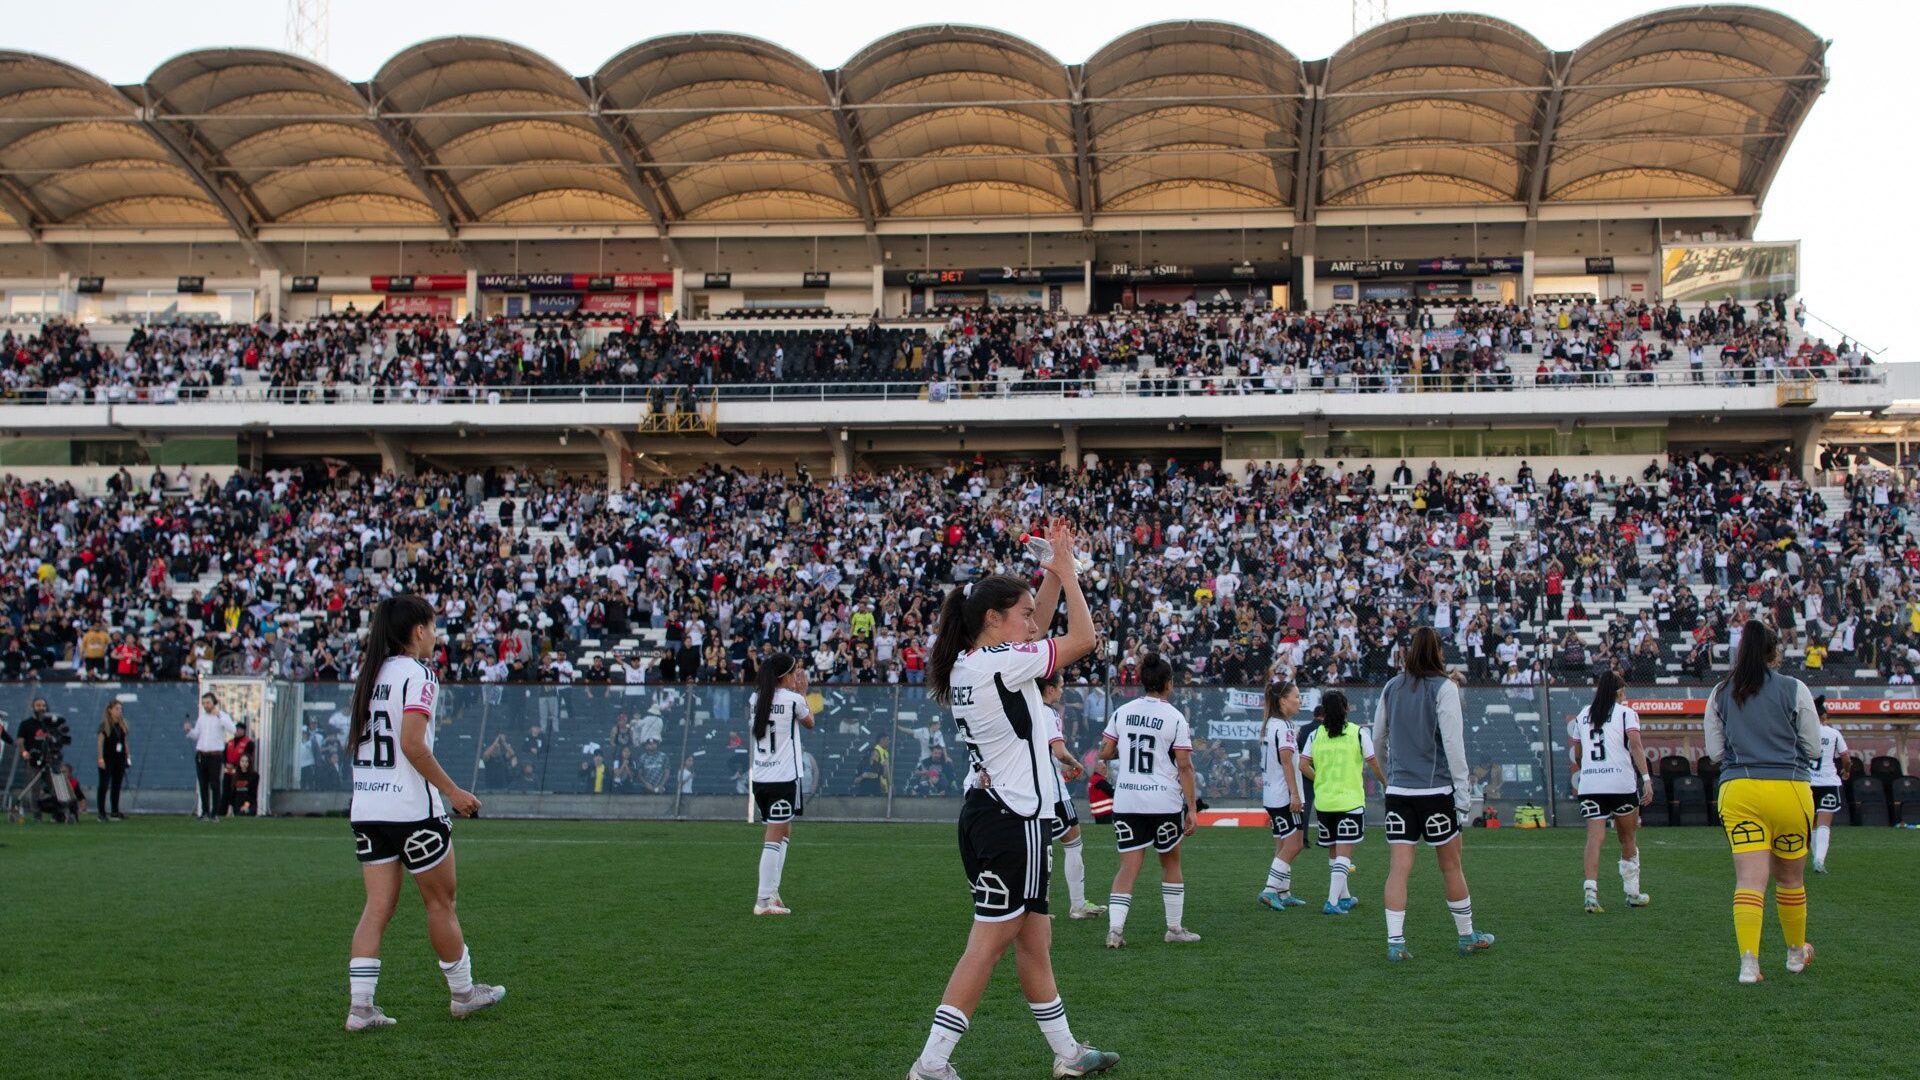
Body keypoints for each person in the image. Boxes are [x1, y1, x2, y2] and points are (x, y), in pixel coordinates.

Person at [907, 520, 1117, 1080]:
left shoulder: (969, 663)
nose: (1031, 621)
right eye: (1021, 613)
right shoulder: (1003, 663)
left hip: (991, 813)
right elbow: (1081, 640)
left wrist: (1051, 570)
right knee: (989, 944)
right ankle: (931, 1064)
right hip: (1014, 819)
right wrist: (1068, 575)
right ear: (992, 620)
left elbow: (1039, 630)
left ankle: (1069, 1054)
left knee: (1035, 942)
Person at [343, 593, 504, 1032]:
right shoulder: (419, 676)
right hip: (412, 809)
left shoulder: (368, 676)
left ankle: (360, 1008)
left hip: (368, 807)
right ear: (418, 631)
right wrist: (453, 791)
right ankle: (464, 993)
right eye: (432, 627)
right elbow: (412, 745)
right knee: (440, 902)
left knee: (376, 907)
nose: (435, 635)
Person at [1705, 619, 1820, 984]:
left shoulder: (1720, 691)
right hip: (1789, 790)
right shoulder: (1794, 688)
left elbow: (1714, 753)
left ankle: (1749, 964)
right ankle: (1794, 954)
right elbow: (1814, 747)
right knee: (1790, 880)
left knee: (1750, 882)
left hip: (1739, 791)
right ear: (1775, 653)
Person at [1375, 627, 1495, 960]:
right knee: (1451, 866)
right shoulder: (1445, 688)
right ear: (1438, 652)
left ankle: (1396, 943)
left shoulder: (1390, 688)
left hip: (1399, 792)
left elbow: (1378, 740)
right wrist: (1463, 794)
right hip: (1435, 791)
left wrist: (1389, 778)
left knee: (1399, 868)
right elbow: (1454, 745)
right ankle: (1467, 936)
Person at [1099, 652, 1198, 947]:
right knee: (1170, 863)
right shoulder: (1175, 717)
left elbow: (1105, 751)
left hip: (1127, 800)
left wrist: (1124, 751)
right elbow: (1184, 766)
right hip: (1163, 802)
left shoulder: (1123, 711)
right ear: (1168, 684)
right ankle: (1174, 929)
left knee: (1128, 867)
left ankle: (1115, 931)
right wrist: (1192, 808)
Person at [1566, 671, 1653, 913]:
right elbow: (1635, 745)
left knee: (1594, 838)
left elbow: (1579, 755)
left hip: (1591, 785)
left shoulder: (1584, 714)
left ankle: (1591, 895)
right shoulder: (1627, 714)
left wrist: (1590, 774)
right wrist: (1646, 779)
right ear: (1618, 692)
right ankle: (1632, 892)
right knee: (1627, 837)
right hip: (1621, 785)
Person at [1300, 690, 1382, 917]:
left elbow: (1303, 765)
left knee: (1335, 851)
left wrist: (1321, 779)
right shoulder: (1357, 732)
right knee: (1345, 853)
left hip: (1325, 802)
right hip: (1350, 802)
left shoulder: (1316, 735)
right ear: (1346, 708)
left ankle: (1344, 897)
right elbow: (1374, 763)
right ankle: (1331, 901)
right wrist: (1386, 783)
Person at [749, 651, 813, 916]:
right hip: (783, 778)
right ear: (785, 676)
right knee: (775, 836)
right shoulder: (793, 699)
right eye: (794, 671)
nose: (797, 675)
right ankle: (763, 900)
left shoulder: (756, 697)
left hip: (762, 777)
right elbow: (810, 722)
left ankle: (773, 892)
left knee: (784, 831)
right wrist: (803, 691)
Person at [1036, 674, 1103, 921]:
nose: (1063, 691)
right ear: (1050, 689)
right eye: (1061, 687)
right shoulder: (1049, 713)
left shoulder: (1027, 709)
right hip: (1052, 792)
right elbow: (1059, 750)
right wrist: (1075, 764)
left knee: (1039, 846)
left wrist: (1060, 764)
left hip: (1029, 788)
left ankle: (1038, 907)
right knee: (1071, 841)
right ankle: (1074, 905)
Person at [1256, 679, 1308, 910]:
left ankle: (1283, 892)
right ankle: (1269, 890)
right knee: (1295, 844)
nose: (1299, 700)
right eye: (1296, 696)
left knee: (1282, 844)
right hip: (1284, 796)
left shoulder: (1270, 725)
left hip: (1271, 794)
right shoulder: (1285, 727)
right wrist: (1295, 795)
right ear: (1283, 700)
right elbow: (1286, 762)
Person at [1808, 695, 1849, 874]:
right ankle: (1819, 859)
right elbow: (1846, 757)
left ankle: (1814, 857)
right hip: (1827, 782)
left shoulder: (1802, 732)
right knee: (1825, 822)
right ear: (1824, 716)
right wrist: (1846, 770)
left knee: (1812, 823)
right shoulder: (1833, 734)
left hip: (1806, 783)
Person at [184, 693, 234, 821]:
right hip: (202, 754)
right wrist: (189, 731)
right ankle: (205, 811)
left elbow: (232, 729)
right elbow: (197, 735)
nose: (206, 706)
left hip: (215, 755)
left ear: (214, 703)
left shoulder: (222, 716)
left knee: (215, 784)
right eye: (204, 703)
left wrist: (219, 715)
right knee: (202, 784)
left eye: (208, 703)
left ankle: (214, 812)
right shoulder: (202, 718)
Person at [95, 701, 131, 821]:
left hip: (119, 757)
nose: (119, 711)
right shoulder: (104, 725)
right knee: (104, 785)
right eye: (116, 708)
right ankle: (101, 812)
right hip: (107, 757)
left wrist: (127, 755)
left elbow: (125, 741)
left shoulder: (122, 724)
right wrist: (100, 758)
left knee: (117, 784)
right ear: (110, 710)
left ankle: (115, 810)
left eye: (120, 709)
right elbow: (100, 742)